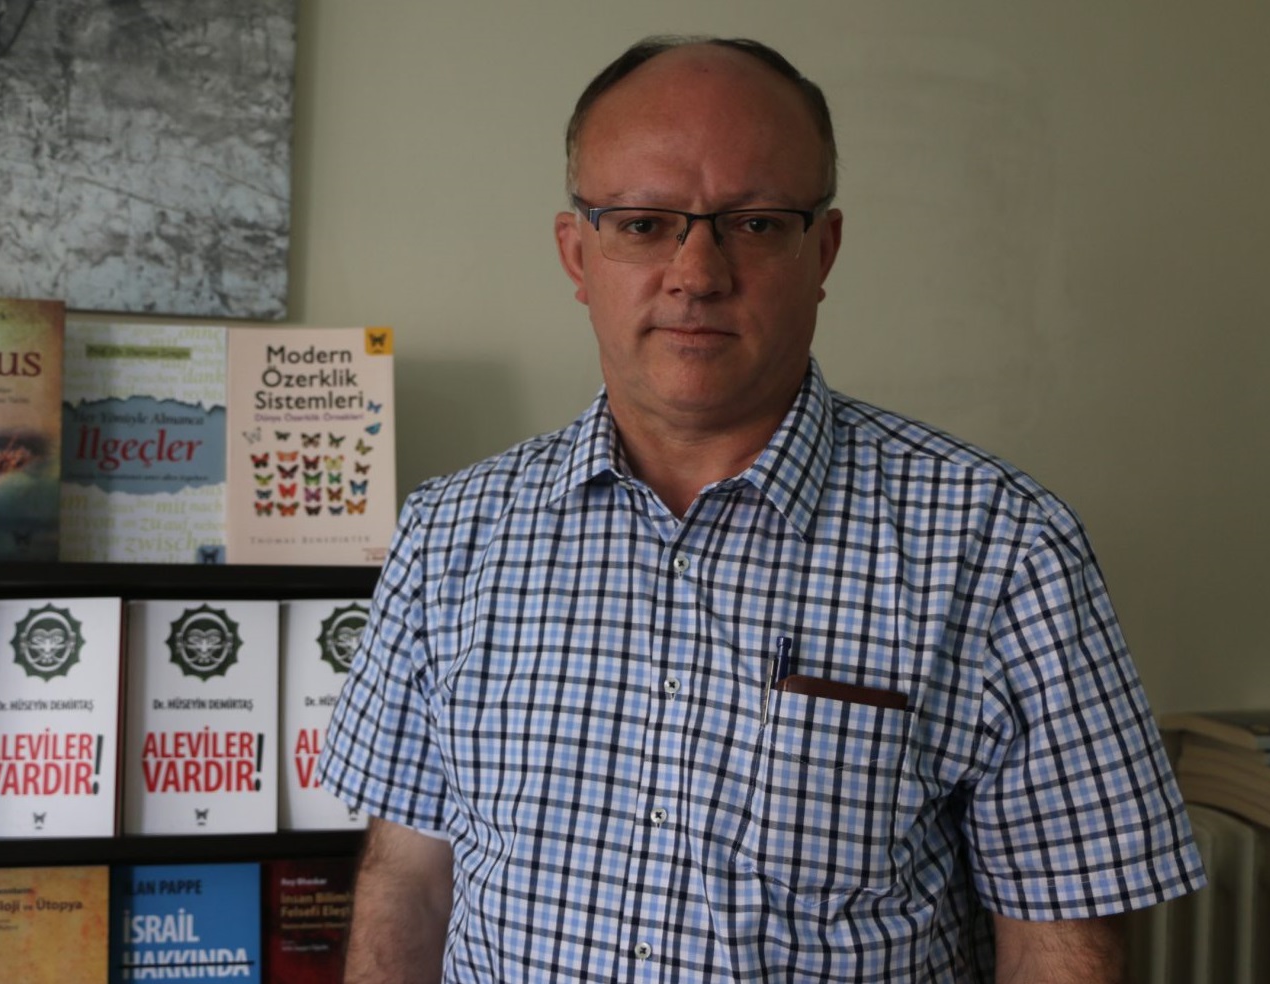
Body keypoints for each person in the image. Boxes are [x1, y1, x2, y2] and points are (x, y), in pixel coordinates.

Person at [317, 35, 1204, 983]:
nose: (698, 274)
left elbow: (1060, 943)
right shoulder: (449, 534)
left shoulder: (1005, 549)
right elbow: (408, 882)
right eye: (644, 223)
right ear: (577, 254)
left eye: (755, 224)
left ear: (823, 250)